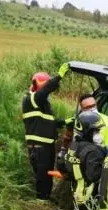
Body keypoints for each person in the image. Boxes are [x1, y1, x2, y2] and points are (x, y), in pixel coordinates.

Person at [22, 63, 73, 201]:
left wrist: (64, 122)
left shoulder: (43, 104)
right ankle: (41, 202)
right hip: (39, 147)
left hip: (47, 146)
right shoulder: (31, 99)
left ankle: (46, 198)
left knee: (47, 174)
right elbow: (45, 91)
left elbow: (48, 123)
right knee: (43, 176)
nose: (45, 88)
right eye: (43, 85)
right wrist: (59, 77)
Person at [64, 111, 106, 210]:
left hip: (70, 191)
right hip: (86, 198)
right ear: (88, 131)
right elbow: (93, 176)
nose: (99, 134)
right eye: (96, 131)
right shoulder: (93, 151)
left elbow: (62, 165)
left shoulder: (73, 145)